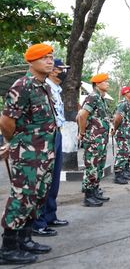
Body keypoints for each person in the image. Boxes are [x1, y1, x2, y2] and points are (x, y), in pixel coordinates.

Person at [0, 44, 57, 264]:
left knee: (37, 196)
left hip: (44, 154)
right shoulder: (22, 85)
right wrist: (16, 143)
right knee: (22, 197)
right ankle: (8, 247)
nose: (50, 61)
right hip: (27, 154)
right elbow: (6, 122)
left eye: (51, 57)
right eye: (44, 58)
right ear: (31, 62)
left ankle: (25, 239)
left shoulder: (44, 86)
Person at [32, 59, 70, 237]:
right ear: (54, 71)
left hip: (57, 134)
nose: (65, 72)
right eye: (62, 69)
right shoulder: (41, 87)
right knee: (42, 182)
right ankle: (37, 222)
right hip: (43, 138)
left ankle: (49, 216)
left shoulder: (55, 89)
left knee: (53, 180)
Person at [77, 73, 111, 207]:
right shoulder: (92, 97)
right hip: (93, 139)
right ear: (97, 84)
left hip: (101, 140)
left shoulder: (100, 98)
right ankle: (88, 196)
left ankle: (95, 190)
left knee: (98, 166)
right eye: (105, 81)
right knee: (91, 166)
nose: (108, 83)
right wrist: (82, 132)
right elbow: (82, 115)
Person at [112, 86, 130, 185]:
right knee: (123, 153)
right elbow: (118, 117)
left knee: (129, 152)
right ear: (126, 93)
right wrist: (114, 129)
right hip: (123, 133)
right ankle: (118, 174)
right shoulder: (123, 104)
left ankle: (125, 169)